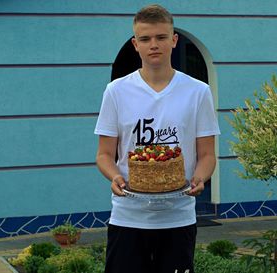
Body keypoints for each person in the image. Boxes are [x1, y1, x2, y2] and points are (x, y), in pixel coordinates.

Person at [94, 4, 220, 273]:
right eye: (145, 39)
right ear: (135, 44)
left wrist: (200, 177)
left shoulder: (198, 92)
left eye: (161, 37)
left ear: (174, 40)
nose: (154, 45)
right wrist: (115, 177)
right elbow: (104, 155)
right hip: (128, 216)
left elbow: (207, 154)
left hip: (178, 216)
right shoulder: (116, 91)